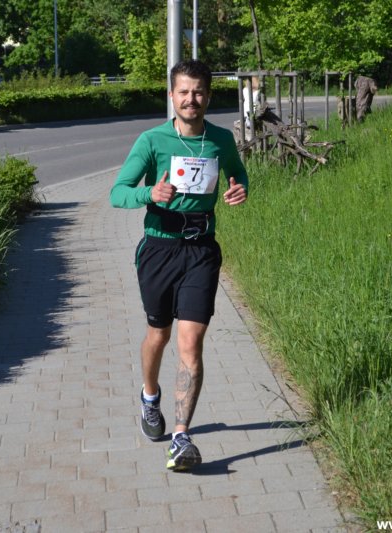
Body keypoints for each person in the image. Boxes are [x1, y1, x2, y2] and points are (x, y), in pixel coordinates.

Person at [109, 59, 249, 472]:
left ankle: (181, 437)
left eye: (199, 91)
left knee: (191, 342)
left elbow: (238, 175)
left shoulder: (220, 140)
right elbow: (117, 192)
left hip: (201, 250)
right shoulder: (152, 141)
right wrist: (149, 194)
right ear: (172, 96)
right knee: (159, 334)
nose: (192, 99)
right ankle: (149, 395)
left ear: (209, 96)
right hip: (159, 248)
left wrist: (239, 189)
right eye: (184, 92)